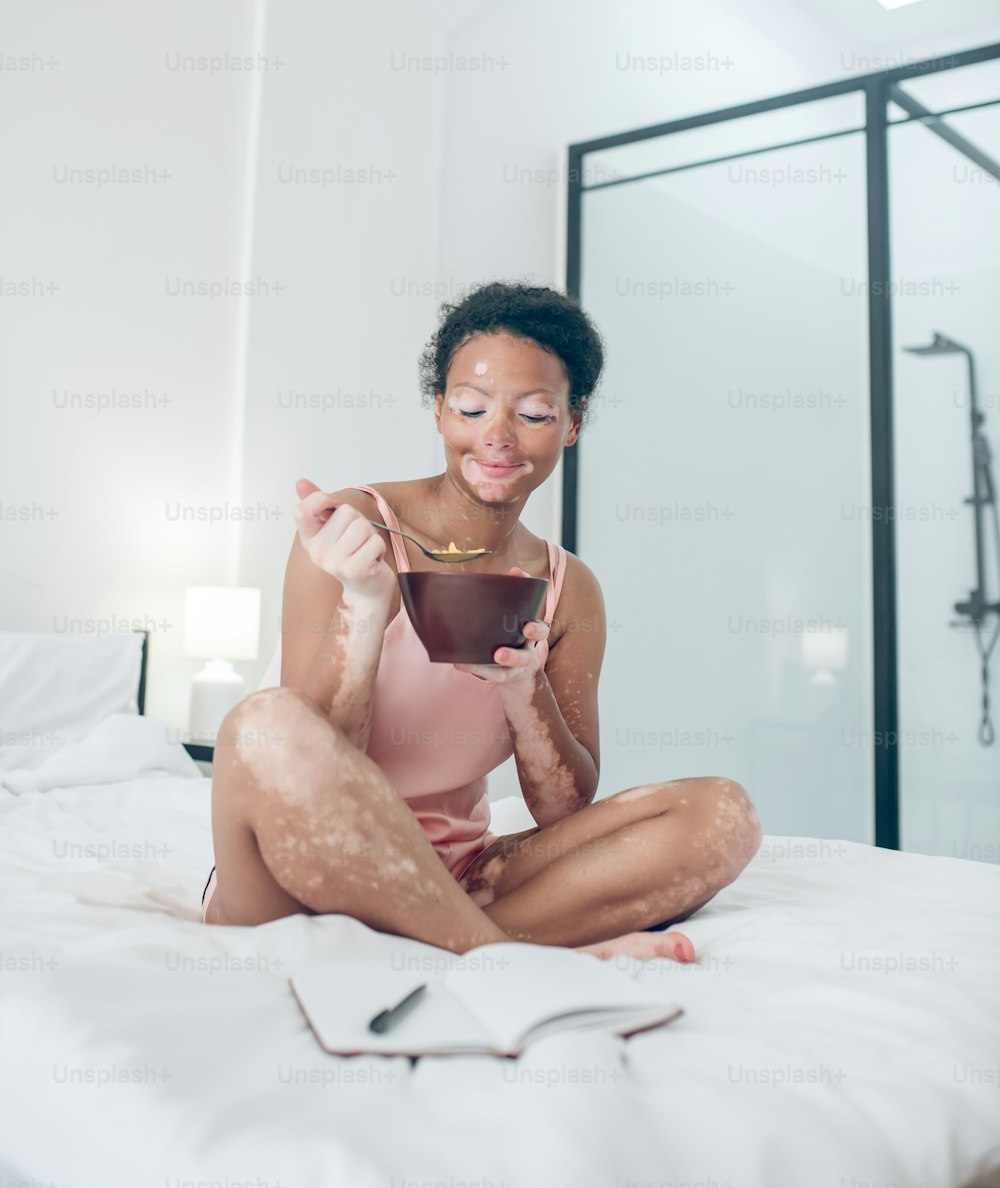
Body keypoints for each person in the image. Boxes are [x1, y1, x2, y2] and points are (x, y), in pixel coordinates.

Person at [201, 280, 762, 961]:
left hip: (461, 876)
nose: (497, 438)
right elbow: (319, 751)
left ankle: (454, 941)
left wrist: (525, 691)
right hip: (298, 874)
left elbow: (562, 809)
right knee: (265, 725)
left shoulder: (569, 589)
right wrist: (366, 603)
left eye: (533, 414)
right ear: (439, 410)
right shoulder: (350, 527)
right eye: (471, 407)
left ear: (572, 423)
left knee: (720, 816)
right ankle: (500, 958)